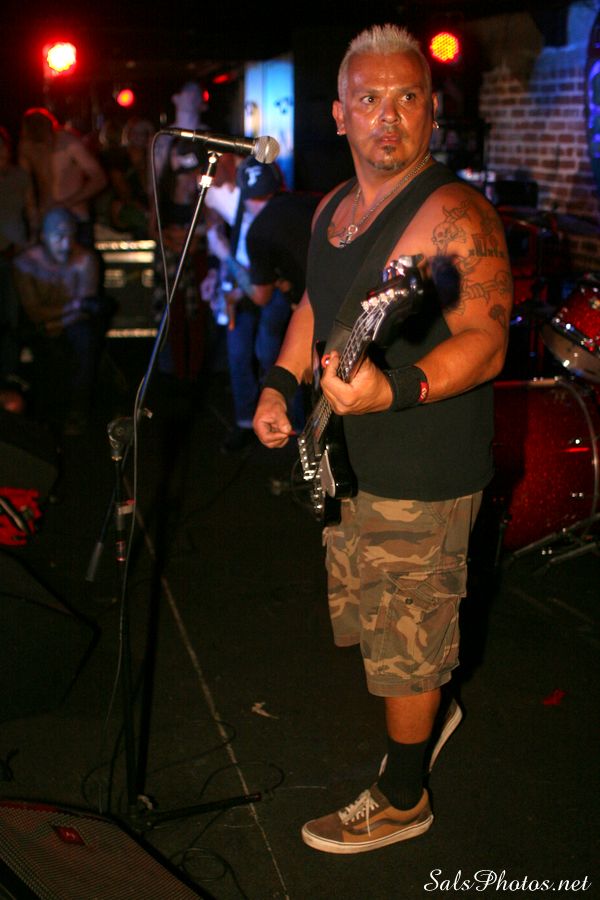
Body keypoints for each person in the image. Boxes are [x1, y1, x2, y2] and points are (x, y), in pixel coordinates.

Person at [253, 24, 513, 853]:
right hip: (352, 463)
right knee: (385, 627)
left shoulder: (455, 213)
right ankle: (433, 702)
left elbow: (487, 340)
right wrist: (280, 382)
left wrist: (395, 388)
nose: (388, 116)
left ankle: (404, 798)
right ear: (339, 114)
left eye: (408, 97)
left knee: (406, 641)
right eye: (369, 99)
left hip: (424, 469)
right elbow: (314, 305)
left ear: (432, 110)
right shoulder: (333, 207)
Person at [207, 158, 318, 451]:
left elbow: (261, 296)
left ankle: (295, 428)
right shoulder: (309, 202)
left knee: (279, 356)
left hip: (307, 305)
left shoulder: (259, 231)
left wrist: (223, 254)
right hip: (331, 293)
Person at [12, 206, 109, 434]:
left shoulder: (85, 259)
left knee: (85, 341)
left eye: (70, 237)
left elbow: (85, 307)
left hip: (71, 324)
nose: (65, 245)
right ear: (44, 236)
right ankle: (43, 417)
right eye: (58, 237)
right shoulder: (26, 263)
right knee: (43, 350)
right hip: (39, 326)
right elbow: (34, 312)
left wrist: (56, 321)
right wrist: (69, 308)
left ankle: (78, 413)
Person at [17, 108, 107, 248]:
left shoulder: (69, 143)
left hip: (76, 218)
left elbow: (99, 179)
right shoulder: (27, 147)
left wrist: (66, 203)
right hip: (46, 219)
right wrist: (33, 217)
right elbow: (26, 186)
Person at [0, 126, 36, 389]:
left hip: (15, 255)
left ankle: (9, 370)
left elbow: (32, 209)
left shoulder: (20, 175)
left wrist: (32, 240)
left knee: (12, 316)